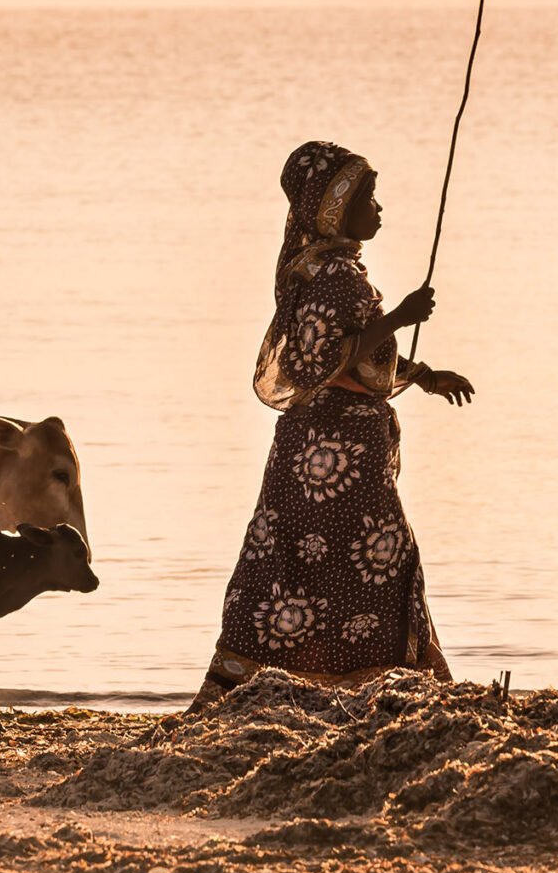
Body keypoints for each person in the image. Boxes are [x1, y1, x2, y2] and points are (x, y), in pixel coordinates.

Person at [193, 140, 474, 706]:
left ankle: (313, 685)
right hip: (334, 454)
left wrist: (421, 375)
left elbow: (361, 359)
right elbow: (317, 364)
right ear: (334, 208)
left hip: (325, 450)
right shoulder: (333, 277)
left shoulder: (326, 270)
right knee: (377, 557)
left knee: (296, 564)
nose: (378, 209)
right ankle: (390, 687)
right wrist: (400, 317)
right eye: (368, 198)